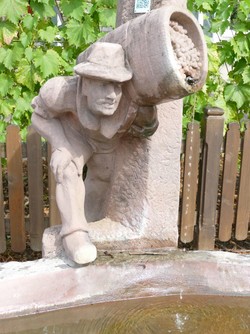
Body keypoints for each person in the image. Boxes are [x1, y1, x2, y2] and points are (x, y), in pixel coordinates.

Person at [32, 42, 136, 264]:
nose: (111, 95)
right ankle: (74, 235)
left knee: (102, 180)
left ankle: (89, 225)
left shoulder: (133, 103)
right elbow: (38, 116)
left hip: (107, 145)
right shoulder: (59, 92)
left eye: (117, 86)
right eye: (103, 85)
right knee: (66, 169)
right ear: (85, 83)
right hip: (75, 138)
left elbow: (148, 127)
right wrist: (61, 144)